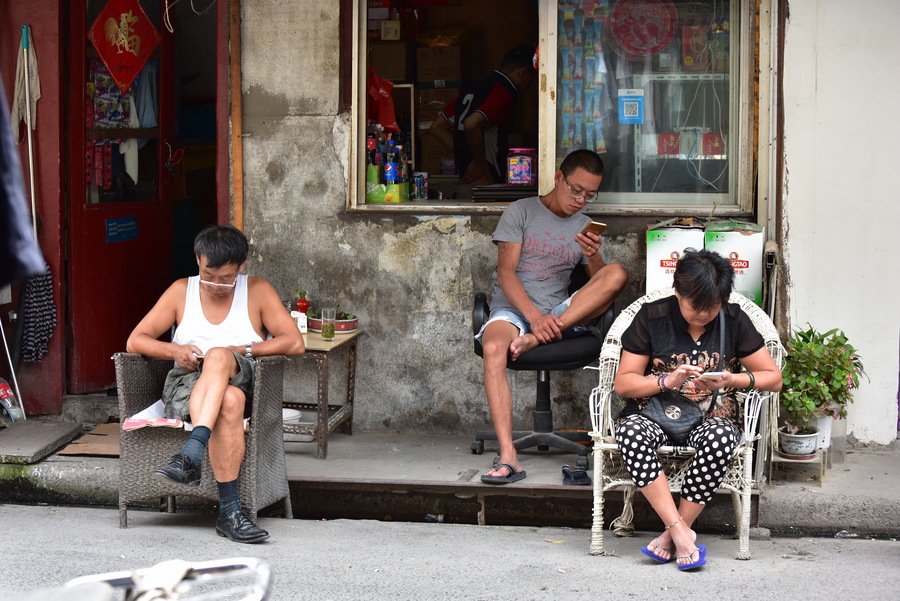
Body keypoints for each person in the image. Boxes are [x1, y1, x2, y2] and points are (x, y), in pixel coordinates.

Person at [126, 224, 305, 543]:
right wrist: (175, 351)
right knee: (230, 400)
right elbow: (135, 340)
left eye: (226, 278)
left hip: (243, 376)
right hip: (189, 386)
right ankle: (230, 514)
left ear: (242, 266)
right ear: (198, 260)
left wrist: (244, 349)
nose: (217, 285)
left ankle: (191, 453)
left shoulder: (257, 290)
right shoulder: (181, 290)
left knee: (220, 355)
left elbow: (294, 342)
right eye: (209, 275)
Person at [613, 249, 782, 570]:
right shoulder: (651, 317)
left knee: (721, 438)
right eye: (696, 306)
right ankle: (680, 532)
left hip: (712, 417)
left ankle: (671, 536)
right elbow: (624, 384)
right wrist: (666, 380)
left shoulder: (734, 320)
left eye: (713, 306)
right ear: (678, 292)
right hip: (654, 414)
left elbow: (773, 378)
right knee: (630, 432)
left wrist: (732, 379)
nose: (704, 314)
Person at [477, 149, 628, 484]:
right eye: (576, 190)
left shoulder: (583, 226)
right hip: (514, 311)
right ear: (559, 177)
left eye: (590, 195)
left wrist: (593, 257)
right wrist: (534, 318)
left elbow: (603, 285)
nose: (580, 200)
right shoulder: (521, 211)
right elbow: (505, 272)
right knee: (493, 348)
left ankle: (535, 338)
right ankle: (508, 456)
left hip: (560, 315)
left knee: (617, 272)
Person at [428, 44, 537, 185]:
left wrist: (463, 154)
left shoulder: (473, 90)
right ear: (523, 73)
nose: (531, 85)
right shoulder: (502, 93)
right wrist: (479, 162)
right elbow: (471, 124)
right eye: (532, 78)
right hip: (486, 177)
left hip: (466, 176)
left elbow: (436, 127)